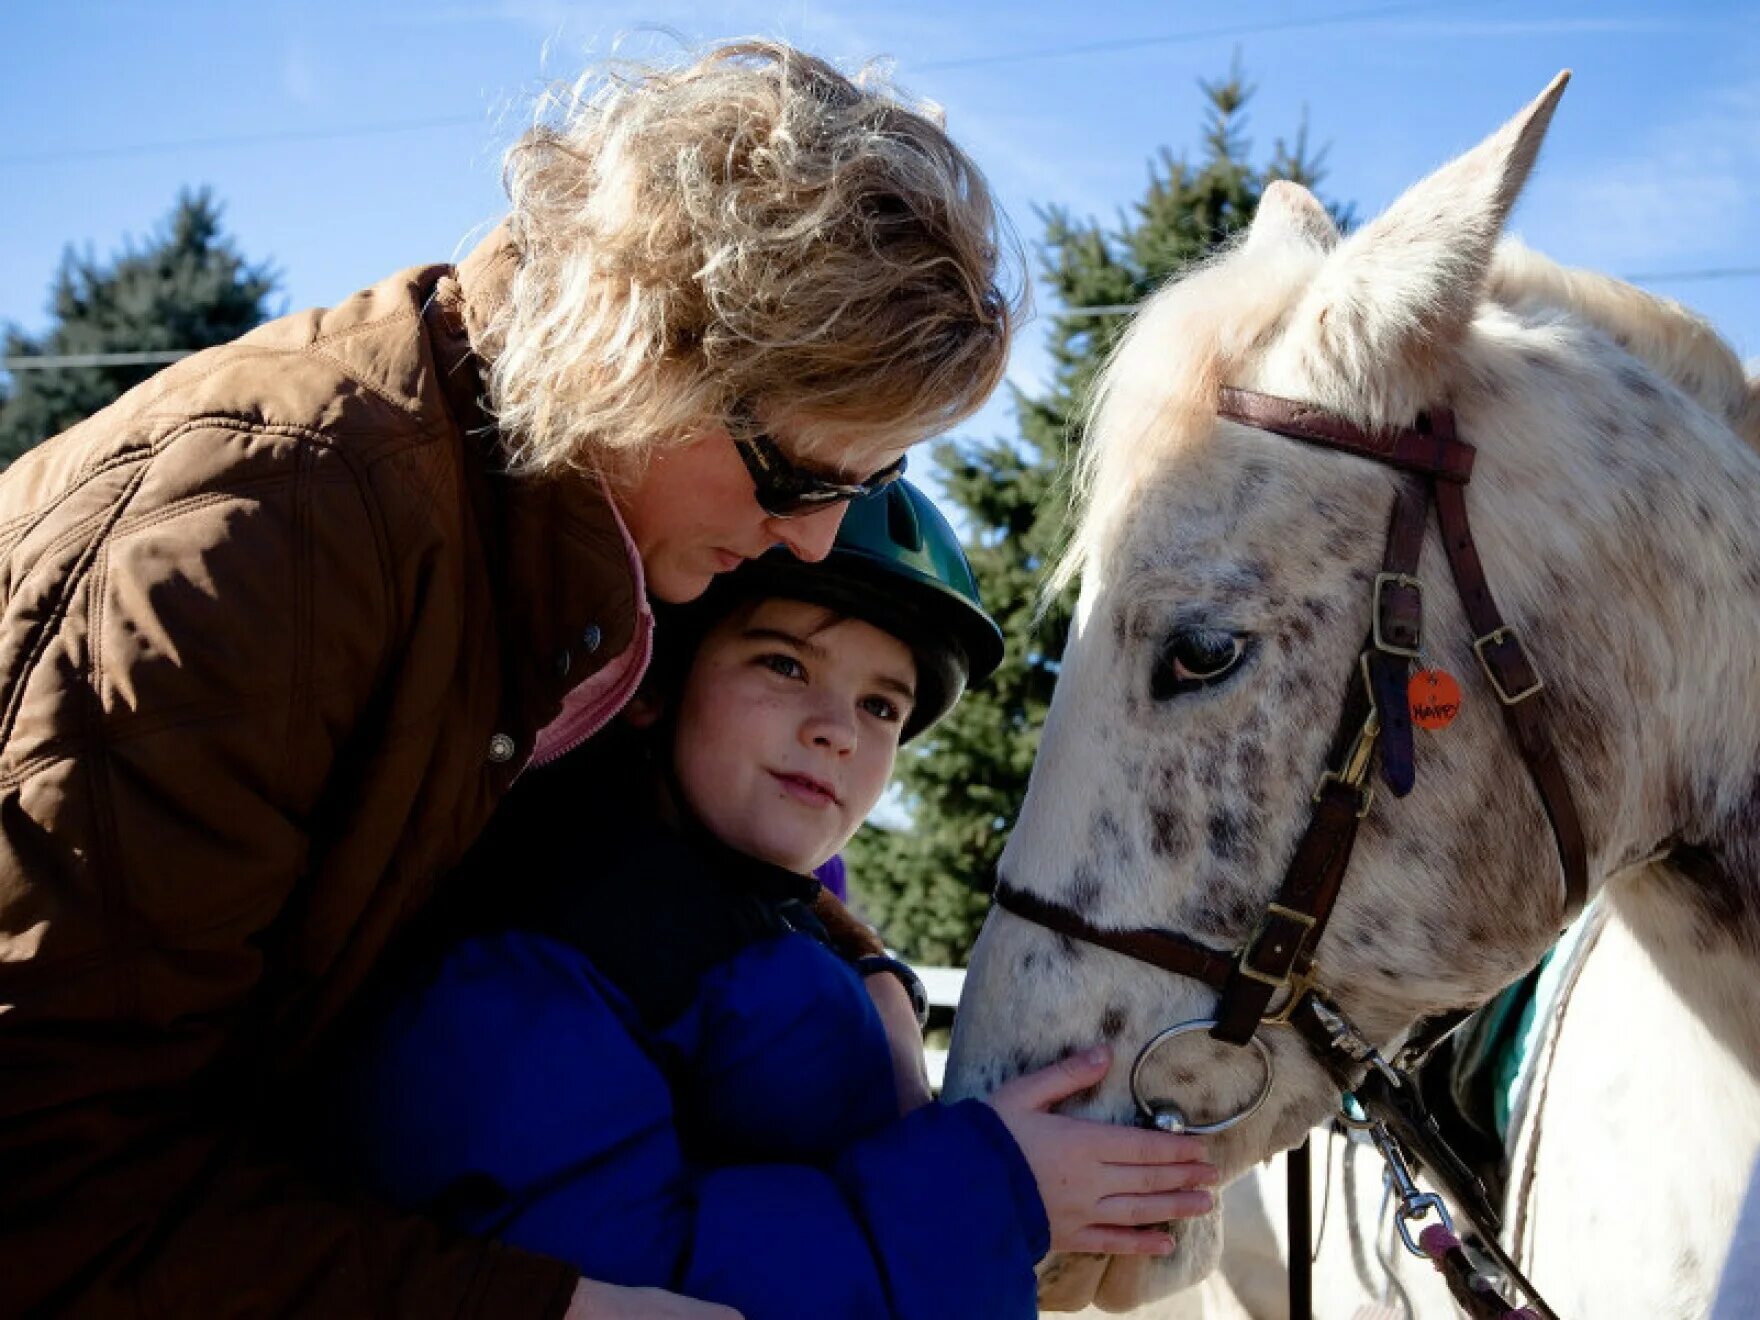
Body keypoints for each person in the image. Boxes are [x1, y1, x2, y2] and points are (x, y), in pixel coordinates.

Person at [0, 42, 1017, 1319]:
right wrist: (551, 1310)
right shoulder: (262, 540)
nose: (815, 541)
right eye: (802, 477)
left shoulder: (547, 552)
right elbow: (48, 1181)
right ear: (650, 347)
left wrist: (849, 955)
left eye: (859, 494)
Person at [321, 480, 1219, 1320]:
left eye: (880, 708)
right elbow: (606, 1276)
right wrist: (993, 1189)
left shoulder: (777, 933)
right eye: (786, 665)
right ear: (652, 689)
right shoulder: (528, 951)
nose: (836, 728)